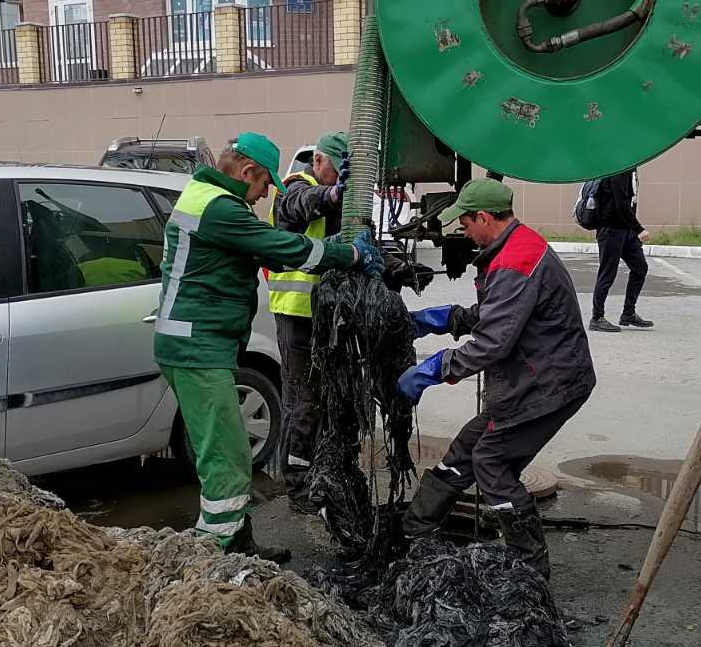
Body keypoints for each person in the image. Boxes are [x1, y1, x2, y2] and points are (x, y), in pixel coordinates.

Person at [155, 131, 381, 562]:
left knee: (229, 451)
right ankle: (219, 559)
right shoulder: (219, 209)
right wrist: (348, 255)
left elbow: (266, 249)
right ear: (246, 173)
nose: (264, 196)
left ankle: (232, 539)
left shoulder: (208, 199)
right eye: (263, 186)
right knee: (226, 458)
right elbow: (276, 243)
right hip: (196, 347)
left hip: (198, 345)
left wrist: (328, 246)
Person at [395, 178, 595, 579]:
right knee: (465, 451)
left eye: (465, 224)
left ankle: (529, 567)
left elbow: (492, 344)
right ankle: (415, 532)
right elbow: (502, 314)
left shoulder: (514, 262)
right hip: (530, 381)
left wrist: (435, 369)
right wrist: (448, 318)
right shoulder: (512, 248)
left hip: (547, 388)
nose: (463, 232)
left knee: (492, 464)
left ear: (483, 217)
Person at [267, 130, 349, 512]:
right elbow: (301, 206)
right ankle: (298, 487)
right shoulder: (296, 187)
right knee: (304, 402)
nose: (342, 179)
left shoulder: (340, 197)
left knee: (330, 399)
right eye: (338, 169)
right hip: (298, 313)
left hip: (327, 315)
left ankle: (324, 473)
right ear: (319, 161)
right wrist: (331, 195)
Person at [584, 168, 653, 332]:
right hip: (610, 229)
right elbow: (621, 205)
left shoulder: (631, 169)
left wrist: (633, 229)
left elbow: (629, 203)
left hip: (626, 229)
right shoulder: (617, 170)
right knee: (607, 273)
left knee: (640, 268)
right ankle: (597, 317)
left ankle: (628, 313)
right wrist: (639, 229)